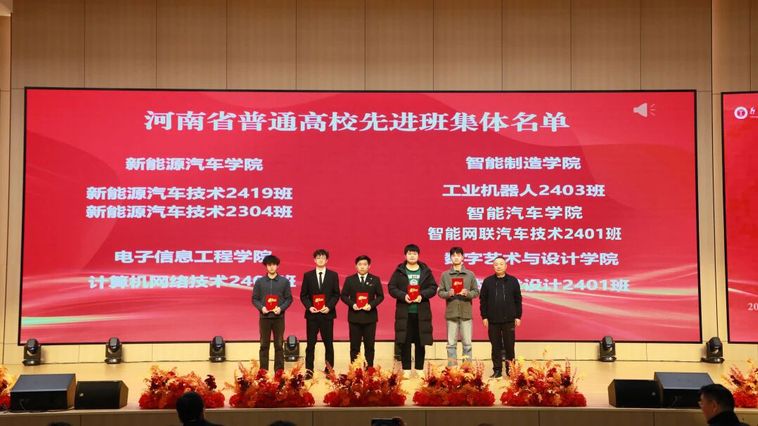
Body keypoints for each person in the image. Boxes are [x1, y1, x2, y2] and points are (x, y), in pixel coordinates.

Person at [388, 244, 437, 377]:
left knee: (421, 341)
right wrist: (403, 296)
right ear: (405, 255)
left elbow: (433, 287)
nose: (412, 256)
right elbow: (391, 288)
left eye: (414, 253)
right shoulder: (399, 271)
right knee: (405, 341)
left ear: (418, 255)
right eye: (409, 253)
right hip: (405, 312)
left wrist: (422, 296)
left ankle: (419, 368)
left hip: (421, 312)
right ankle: (407, 369)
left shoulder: (425, 271)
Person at [299, 249, 340, 379]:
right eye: (318, 257)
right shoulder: (308, 275)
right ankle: (309, 370)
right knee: (310, 344)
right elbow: (303, 295)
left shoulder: (333, 275)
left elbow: (336, 294)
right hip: (312, 315)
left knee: (328, 344)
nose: (320, 260)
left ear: (327, 260)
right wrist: (309, 307)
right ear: (314, 260)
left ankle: (329, 369)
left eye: (323, 257)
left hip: (327, 314)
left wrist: (329, 307)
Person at [479, 256, 522, 378]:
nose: (498, 266)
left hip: (509, 319)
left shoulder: (513, 281)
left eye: (501, 264)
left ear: (506, 266)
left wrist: (518, 316)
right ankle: (497, 370)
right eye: (496, 264)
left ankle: (510, 370)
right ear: (493, 266)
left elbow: (518, 300)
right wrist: (484, 316)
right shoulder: (488, 282)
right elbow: (483, 300)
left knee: (509, 346)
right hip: (493, 320)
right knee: (495, 346)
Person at [438, 246, 479, 366]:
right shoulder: (445, 275)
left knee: (467, 344)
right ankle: (452, 369)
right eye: (453, 255)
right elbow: (440, 292)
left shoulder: (470, 274)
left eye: (458, 255)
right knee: (451, 344)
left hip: (466, 313)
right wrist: (448, 293)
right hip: (451, 313)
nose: (456, 258)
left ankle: (467, 369)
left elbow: (476, 292)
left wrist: (467, 293)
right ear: (450, 258)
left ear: (463, 257)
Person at [341, 255, 384, 367]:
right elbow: (343, 296)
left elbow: (380, 296)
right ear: (356, 266)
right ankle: (355, 370)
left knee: (369, 346)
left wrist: (371, 305)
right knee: (354, 347)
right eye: (360, 264)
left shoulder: (375, 279)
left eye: (365, 264)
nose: (362, 267)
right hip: (354, 317)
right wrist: (352, 304)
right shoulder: (350, 280)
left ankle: (369, 369)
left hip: (370, 318)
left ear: (369, 266)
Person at [252, 254, 292, 372]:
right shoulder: (259, 282)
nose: (271, 267)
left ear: (277, 266)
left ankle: (279, 371)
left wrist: (281, 308)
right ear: (266, 266)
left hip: (279, 318)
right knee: (264, 345)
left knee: (279, 345)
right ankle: (263, 372)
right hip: (264, 317)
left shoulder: (284, 281)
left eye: (274, 264)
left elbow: (289, 299)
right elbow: (254, 299)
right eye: (269, 265)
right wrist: (261, 308)